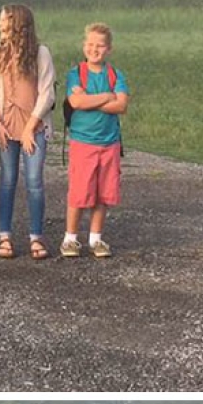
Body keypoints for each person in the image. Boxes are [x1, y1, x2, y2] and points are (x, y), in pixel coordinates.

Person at [0, 3, 55, 260]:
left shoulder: (40, 52)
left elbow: (47, 93)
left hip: (33, 125)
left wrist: (29, 128)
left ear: (16, 23)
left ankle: (36, 236)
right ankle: (5, 236)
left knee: (34, 181)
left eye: (3, 20)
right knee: (7, 179)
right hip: (6, 124)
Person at [60, 22, 130, 259]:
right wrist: (106, 96)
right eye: (90, 44)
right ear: (83, 46)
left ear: (108, 49)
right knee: (79, 192)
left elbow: (121, 105)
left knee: (103, 193)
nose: (94, 49)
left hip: (109, 143)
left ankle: (95, 238)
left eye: (100, 45)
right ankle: (70, 239)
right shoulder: (76, 73)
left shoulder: (115, 74)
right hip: (83, 142)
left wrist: (91, 99)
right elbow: (76, 103)